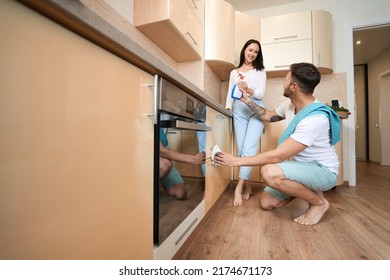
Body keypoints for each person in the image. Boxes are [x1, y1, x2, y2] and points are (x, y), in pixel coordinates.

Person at [215, 62, 341, 225]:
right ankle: (306, 189)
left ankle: (318, 203)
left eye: (286, 80)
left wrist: (235, 161)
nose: (284, 83)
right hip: (302, 168)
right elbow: (269, 116)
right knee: (266, 202)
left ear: (294, 86)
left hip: (322, 171)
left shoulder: (315, 118)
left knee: (269, 172)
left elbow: (278, 155)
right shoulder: (291, 105)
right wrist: (246, 100)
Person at [225, 39, 266, 207]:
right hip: (239, 112)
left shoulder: (260, 71)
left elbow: (261, 93)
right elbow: (229, 93)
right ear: (244, 50)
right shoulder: (234, 72)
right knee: (243, 150)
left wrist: (247, 89)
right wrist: (228, 108)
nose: (252, 54)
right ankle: (248, 186)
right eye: (250, 50)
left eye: (256, 52)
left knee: (249, 149)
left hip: (256, 111)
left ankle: (238, 187)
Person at [159, 128, 205, 200]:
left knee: (181, 193)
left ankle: (159, 179)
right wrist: (192, 159)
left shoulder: (160, 129)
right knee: (165, 164)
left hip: (161, 159)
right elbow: (160, 150)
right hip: (147, 161)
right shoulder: (148, 122)